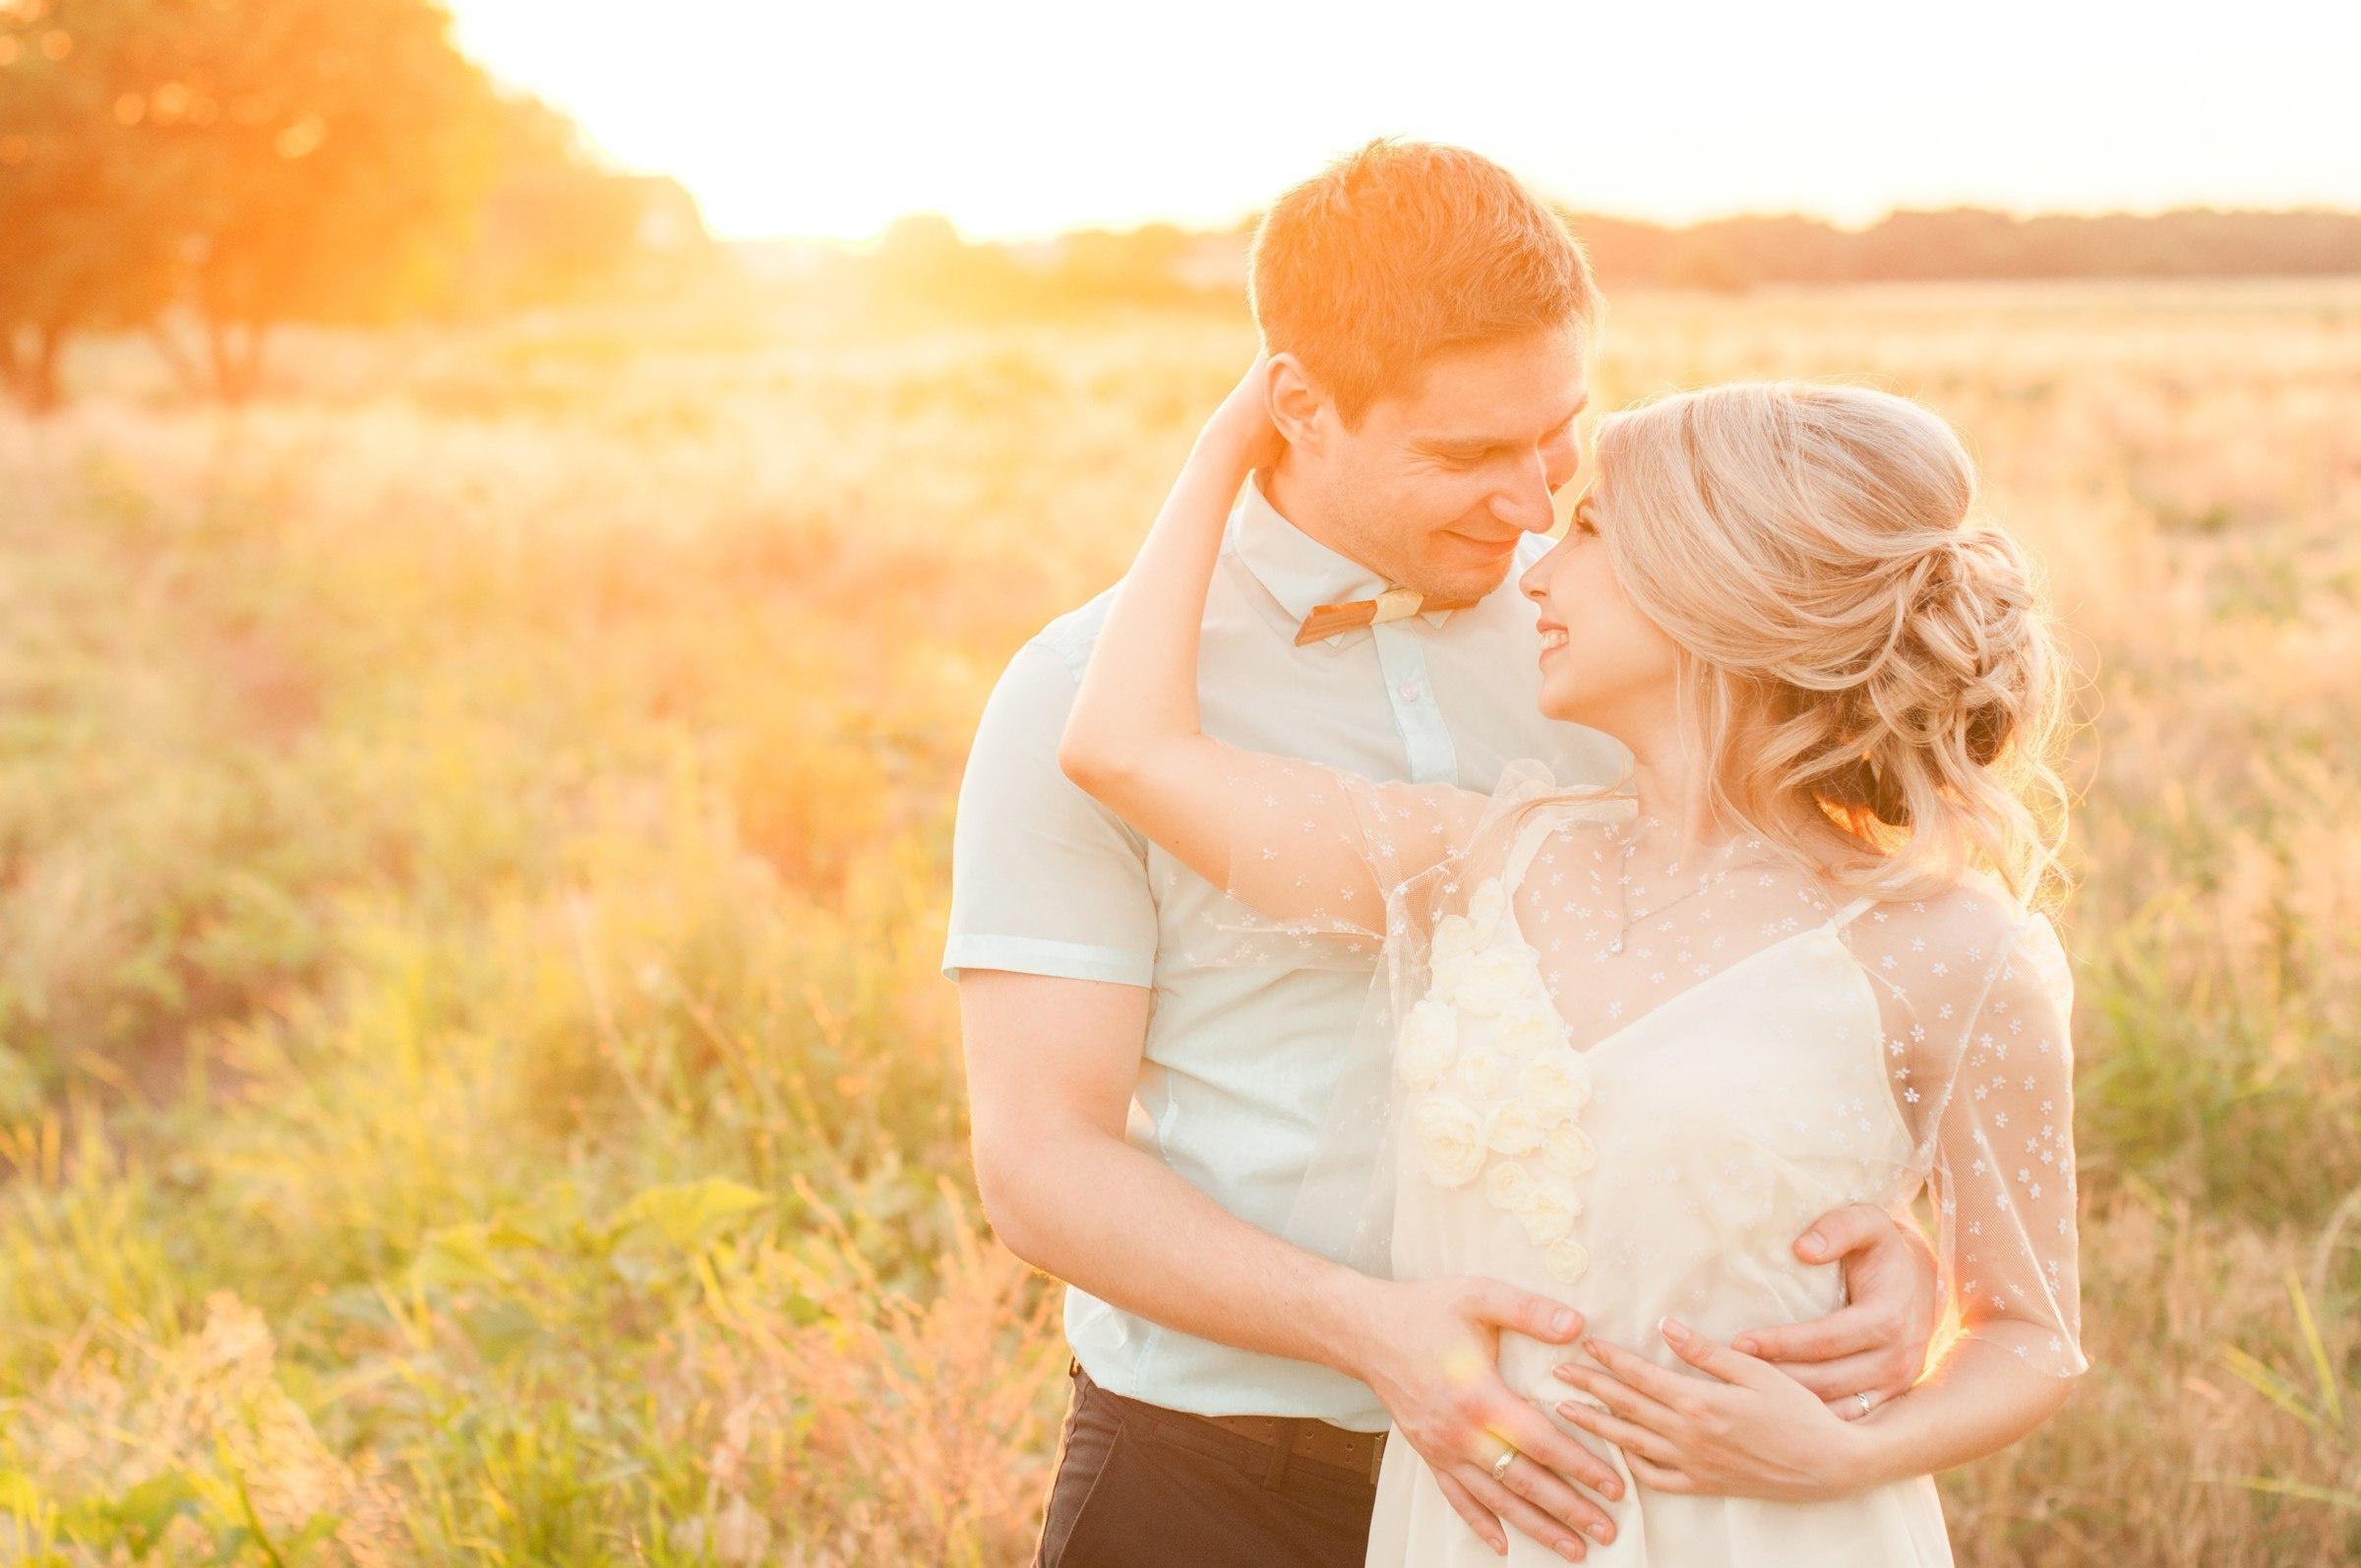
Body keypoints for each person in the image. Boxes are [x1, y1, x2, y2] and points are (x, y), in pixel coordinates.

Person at [948, 141, 1946, 1566]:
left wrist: (1877, 1236)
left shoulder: (1624, 645)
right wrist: (1368, 1330)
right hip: (1216, 1474)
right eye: (1468, 454)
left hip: (1587, 1476)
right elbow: (1040, 1160)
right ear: (1295, 403)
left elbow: (1791, 978)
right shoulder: (1082, 692)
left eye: (1560, 436)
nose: (1534, 504)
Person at [1058, 356, 2084, 1565]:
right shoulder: (1480, 863)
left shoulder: (1955, 949)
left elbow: (2028, 1332)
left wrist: (1847, 1454)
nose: (1540, 566)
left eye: (1591, 527)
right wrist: (1234, 439)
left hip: (1773, 1530)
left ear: (1720, 579)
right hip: (1475, 1529)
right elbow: (1123, 748)